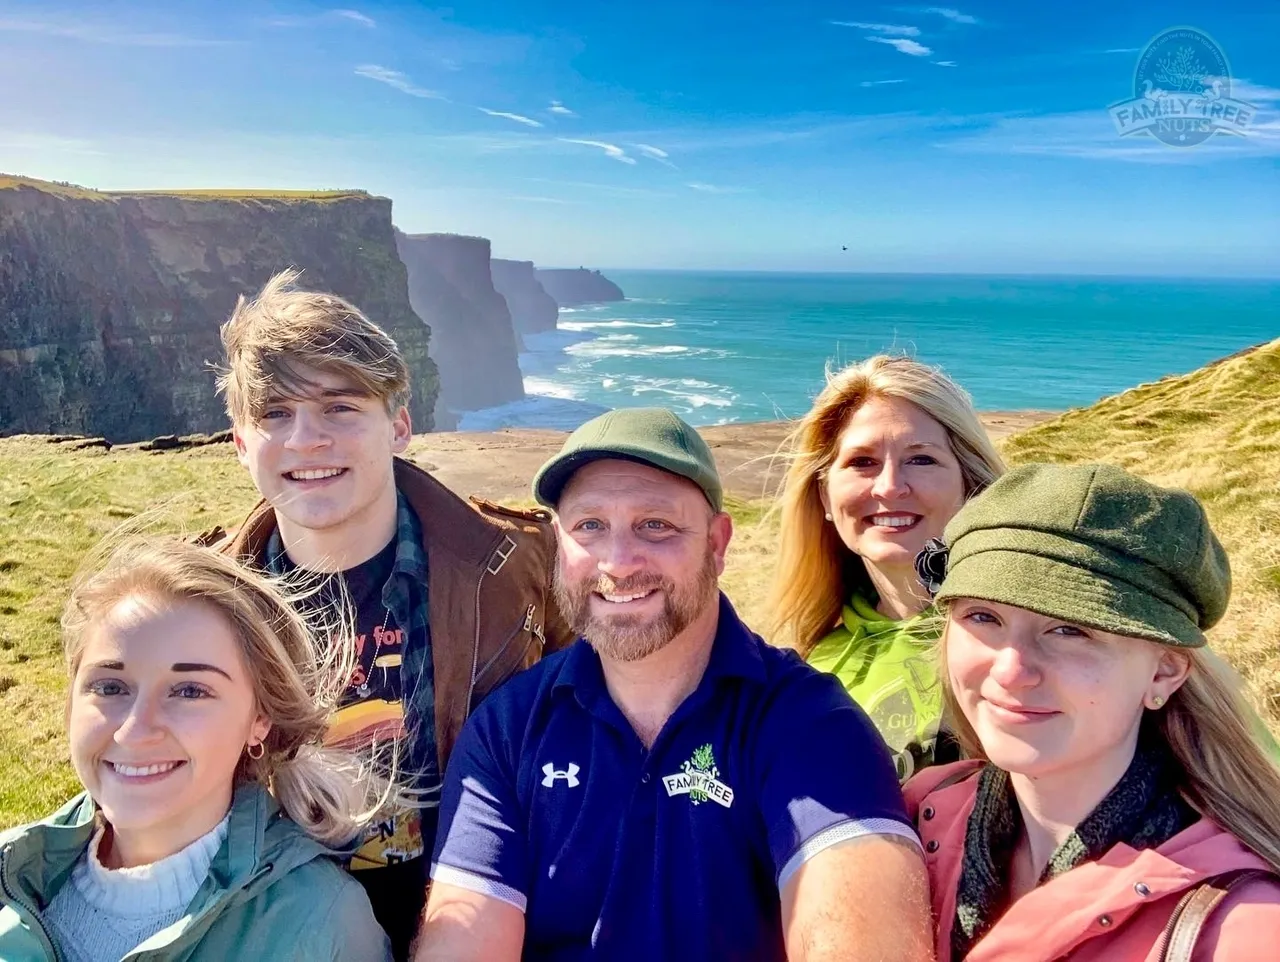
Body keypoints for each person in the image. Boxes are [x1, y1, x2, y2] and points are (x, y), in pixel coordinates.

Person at [416, 407, 933, 962]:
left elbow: (857, 925)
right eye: (589, 525)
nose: (617, 562)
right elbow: (464, 937)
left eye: (655, 525)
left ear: (717, 542)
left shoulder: (807, 723)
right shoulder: (508, 729)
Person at [200, 269, 574, 958]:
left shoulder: (514, 562)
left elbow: (585, 706)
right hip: (287, 932)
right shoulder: (206, 602)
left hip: (478, 919)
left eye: (340, 408)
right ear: (241, 444)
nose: (308, 439)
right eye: (276, 414)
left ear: (399, 426)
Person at [904, 463, 1280, 961]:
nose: (1012, 670)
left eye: (1069, 630)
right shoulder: (917, 812)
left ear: (1164, 673)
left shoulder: (1243, 931)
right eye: (983, 616)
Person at [0, 537, 392, 961]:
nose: (134, 730)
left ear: (259, 719)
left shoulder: (321, 925)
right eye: (110, 686)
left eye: (189, 691)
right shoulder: (12, 878)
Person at [767, 355, 1005, 779]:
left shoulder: (1012, 646)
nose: (890, 486)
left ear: (970, 485)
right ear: (824, 497)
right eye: (862, 462)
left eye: (922, 459)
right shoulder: (807, 663)